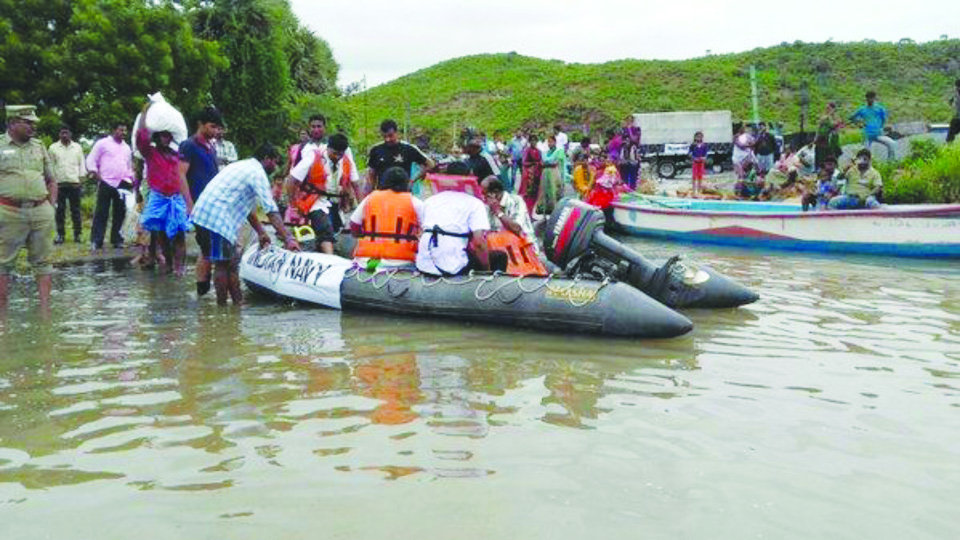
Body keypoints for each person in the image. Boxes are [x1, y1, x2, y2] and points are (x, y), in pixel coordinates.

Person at [191, 143, 300, 305]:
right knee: (224, 265)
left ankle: (236, 305)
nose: (276, 168)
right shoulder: (257, 173)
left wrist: (261, 232)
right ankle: (223, 309)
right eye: (275, 162)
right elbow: (270, 210)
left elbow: (248, 209)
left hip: (203, 215)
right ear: (267, 159)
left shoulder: (243, 166)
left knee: (231, 263)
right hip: (216, 218)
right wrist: (288, 239)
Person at [0, 105, 57, 309]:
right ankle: (2, 316)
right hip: (8, 212)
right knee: (3, 263)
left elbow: (51, 180)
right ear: (12, 123)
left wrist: (51, 207)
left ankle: (45, 314)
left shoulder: (39, 146)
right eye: (28, 122)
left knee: (44, 263)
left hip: (41, 211)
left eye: (34, 123)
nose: (33, 126)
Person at [134, 101, 194, 275]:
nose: (166, 138)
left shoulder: (177, 155)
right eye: (162, 135)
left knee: (179, 233)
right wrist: (144, 113)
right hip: (159, 196)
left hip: (176, 197)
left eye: (168, 136)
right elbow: (141, 137)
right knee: (161, 233)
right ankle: (168, 263)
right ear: (157, 137)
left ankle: (179, 266)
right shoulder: (150, 153)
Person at [285, 133, 357, 254]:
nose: (337, 157)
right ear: (328, 148)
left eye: (340, 154)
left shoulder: (346, 160)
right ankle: (330, 259)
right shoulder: (313, 156)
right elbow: (292, 180)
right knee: (325, 228)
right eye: (335, 153)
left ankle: (324, 250)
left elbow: (355, 183)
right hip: (315, 200)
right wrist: (293, 207)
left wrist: (360, 205)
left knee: (336, 230)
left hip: (335, 202)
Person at [179, 106, 222, 295]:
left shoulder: (210, 147)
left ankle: (203, 292)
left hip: (212, 205)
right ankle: (202, 291)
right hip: (199, 206)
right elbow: (180, 175)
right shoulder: (189, 145)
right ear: (200, 124)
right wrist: (190, 205)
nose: (215, 131)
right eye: (212, 126)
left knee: (209, 249)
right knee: (207, 248)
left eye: (217, 127)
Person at [350, 166, 424, 269]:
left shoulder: (370, 198)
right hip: (402, 262)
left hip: (368, 260)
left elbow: (354, 225)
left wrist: (364, 236)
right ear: (406, 183)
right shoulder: (415, 202)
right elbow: (427, 231)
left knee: (371, 266)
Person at [415, 178, 491, 276]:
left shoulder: (429, 201)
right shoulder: (475, 203)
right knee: (499, 257)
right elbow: (479, 243)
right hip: (453, 266)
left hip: (424, 264)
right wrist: (487, 271)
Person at [86, 121, 134, 251]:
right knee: (101, 212)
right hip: (106, 181)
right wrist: (95, 173)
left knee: (120, 212)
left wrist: (131, 179)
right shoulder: (102, 143)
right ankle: (96, 240)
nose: (123, 133)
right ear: (114, 130)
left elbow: (129, 165)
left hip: (122, 183)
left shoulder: (126, 148)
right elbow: (91, 159)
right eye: (121, 130)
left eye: (125, 130)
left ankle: (117, 239)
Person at [366, 119, 435, 190]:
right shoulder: (376, 150)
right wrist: (372, 190)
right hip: (383, 192)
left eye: (390, 136)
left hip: (403, 192)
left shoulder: (408, 148)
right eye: (384, 137)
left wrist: (413, 180)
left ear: (397, 133)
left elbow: (430, 164)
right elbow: (371, 173)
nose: (388, 139)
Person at [48, 125, 85, 244]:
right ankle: (60, 234)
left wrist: (81, 180)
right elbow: (50, 166)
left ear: (70, 134)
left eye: (66, 133)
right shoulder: (53, 148)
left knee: (76, 211)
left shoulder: (77, 147)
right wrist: (52, 183)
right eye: (62, 133)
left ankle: (78, 235)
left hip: (74, 183)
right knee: (60, 211)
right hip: (59, 184)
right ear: (59, 134)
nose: (64, 135)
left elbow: (82, 164)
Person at [480, 176, 538, 253]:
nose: (483, 198)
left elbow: (516, 228)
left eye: (485, 194)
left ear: (495, 193)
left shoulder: (516, 201)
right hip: (502, 248)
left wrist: (498, 212)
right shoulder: (487, 206)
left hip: (524, 249)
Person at [849, 91, 896, 160]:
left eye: (872, 98)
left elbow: (884, 119)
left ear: (874, 98)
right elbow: (851, 117)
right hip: (867, 135)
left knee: (892, 144)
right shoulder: (862, 109)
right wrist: (859, 123)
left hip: (878, 134)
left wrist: (883, 127)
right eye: (869, 98)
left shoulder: (879, 108)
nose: (870, 100)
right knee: (865, 153)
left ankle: (890, 162)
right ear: (866, 99)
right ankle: (864, 164)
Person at [538, 135, 564, 216]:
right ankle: (546, 209)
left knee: (555, 190)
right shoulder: (546, 152)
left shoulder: (559, 151)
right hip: (546, 173)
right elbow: (542, 163)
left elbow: (556, 163)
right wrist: (547, 163)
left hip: (554, 173)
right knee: (546, 190)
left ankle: (556, 209)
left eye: (551, 142)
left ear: (555, 142)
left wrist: (546, 164)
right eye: (548, 142)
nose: (549, 144)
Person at [519, 133, 543, 214]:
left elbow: (541, 161)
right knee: (528, 194)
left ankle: (531, 212)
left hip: (537, 174)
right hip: (529, 175)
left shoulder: (539, 151)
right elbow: (524, 162)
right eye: (532, 140)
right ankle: (527, 212)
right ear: (529, 142)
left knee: (535, 194)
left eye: (535, 140)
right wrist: (533, 164)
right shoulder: (527, 151)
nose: (533, 142)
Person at [815, 102, 843, 170]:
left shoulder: (836, 117)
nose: (827, 110)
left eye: (828, 108)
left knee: (832, 155)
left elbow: (834, 124)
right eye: (826, 108)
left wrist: (829, 116)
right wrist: (816, 137)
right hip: (822, 141)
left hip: (831, 141)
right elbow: (819, 126)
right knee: (820, 157)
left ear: (833, 109)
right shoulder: (824, 117)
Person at [689, 131, 709, 196]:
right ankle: (694, 190)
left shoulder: (704, 145)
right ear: (695, 137)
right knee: (694, 176)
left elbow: (706, 153)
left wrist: (704, 157)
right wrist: (693, 158)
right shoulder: (693, 145)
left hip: (701, 162)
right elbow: (689, 153)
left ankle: (699, 189)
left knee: (700, 176)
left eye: (700, 137)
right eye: (697, 136)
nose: (699, 138)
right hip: (695, 162)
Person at [948, 79, 960, 144]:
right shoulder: (955, 94)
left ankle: (949, 143)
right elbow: (950, 102)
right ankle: (949, 144)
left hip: (958, 118)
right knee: (951, 132)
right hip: (957, 118)